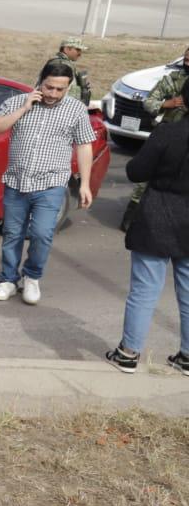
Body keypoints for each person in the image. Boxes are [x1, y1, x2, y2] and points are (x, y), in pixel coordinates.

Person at [0, 60, 96, 305]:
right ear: (40, 82)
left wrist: (85, 184)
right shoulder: (17, 101)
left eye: (60, 89)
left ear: (68, 88)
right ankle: (8, 280)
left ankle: (32, 277)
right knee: (12, 233)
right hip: (17, 181)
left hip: (51, 183)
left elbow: (84, 145)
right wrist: (25, 108)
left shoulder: (76, 109)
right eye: (49, 87)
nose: (53, 94)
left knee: (42, 234)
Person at [106, 111, 189, 374]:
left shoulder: (167, 132)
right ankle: (187, 357)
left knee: (144, 290)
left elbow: (135, 171)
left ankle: (128, 354)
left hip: (157, 217)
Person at [123, 45, 189, 231]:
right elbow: (149, 102)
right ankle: (131, 217)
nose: (187, 63)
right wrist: (167, 104)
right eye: (186, 59)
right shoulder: (172, 79)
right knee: (145, 179)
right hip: (169, 134)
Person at [47, 36, 92, 104]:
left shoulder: (64, 63)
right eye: (77, 50)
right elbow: (57, 89)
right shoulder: (61, 64)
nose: (80, 54)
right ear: (66, 49)